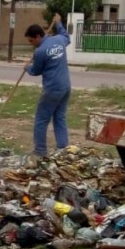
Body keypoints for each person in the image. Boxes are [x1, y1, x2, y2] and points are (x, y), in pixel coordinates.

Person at [24, 13, 71, 158]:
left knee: (41, 120)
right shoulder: (59, 40)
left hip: (52, 89)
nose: (31, 43)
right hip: (65, 87)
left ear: (38, 36)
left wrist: (27, 67)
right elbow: (66, 36)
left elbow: (36, 71)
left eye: (31, 41)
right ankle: (63, 149)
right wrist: (58, 23)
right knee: (60, 117)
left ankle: (40, 150)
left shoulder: (40, 51)